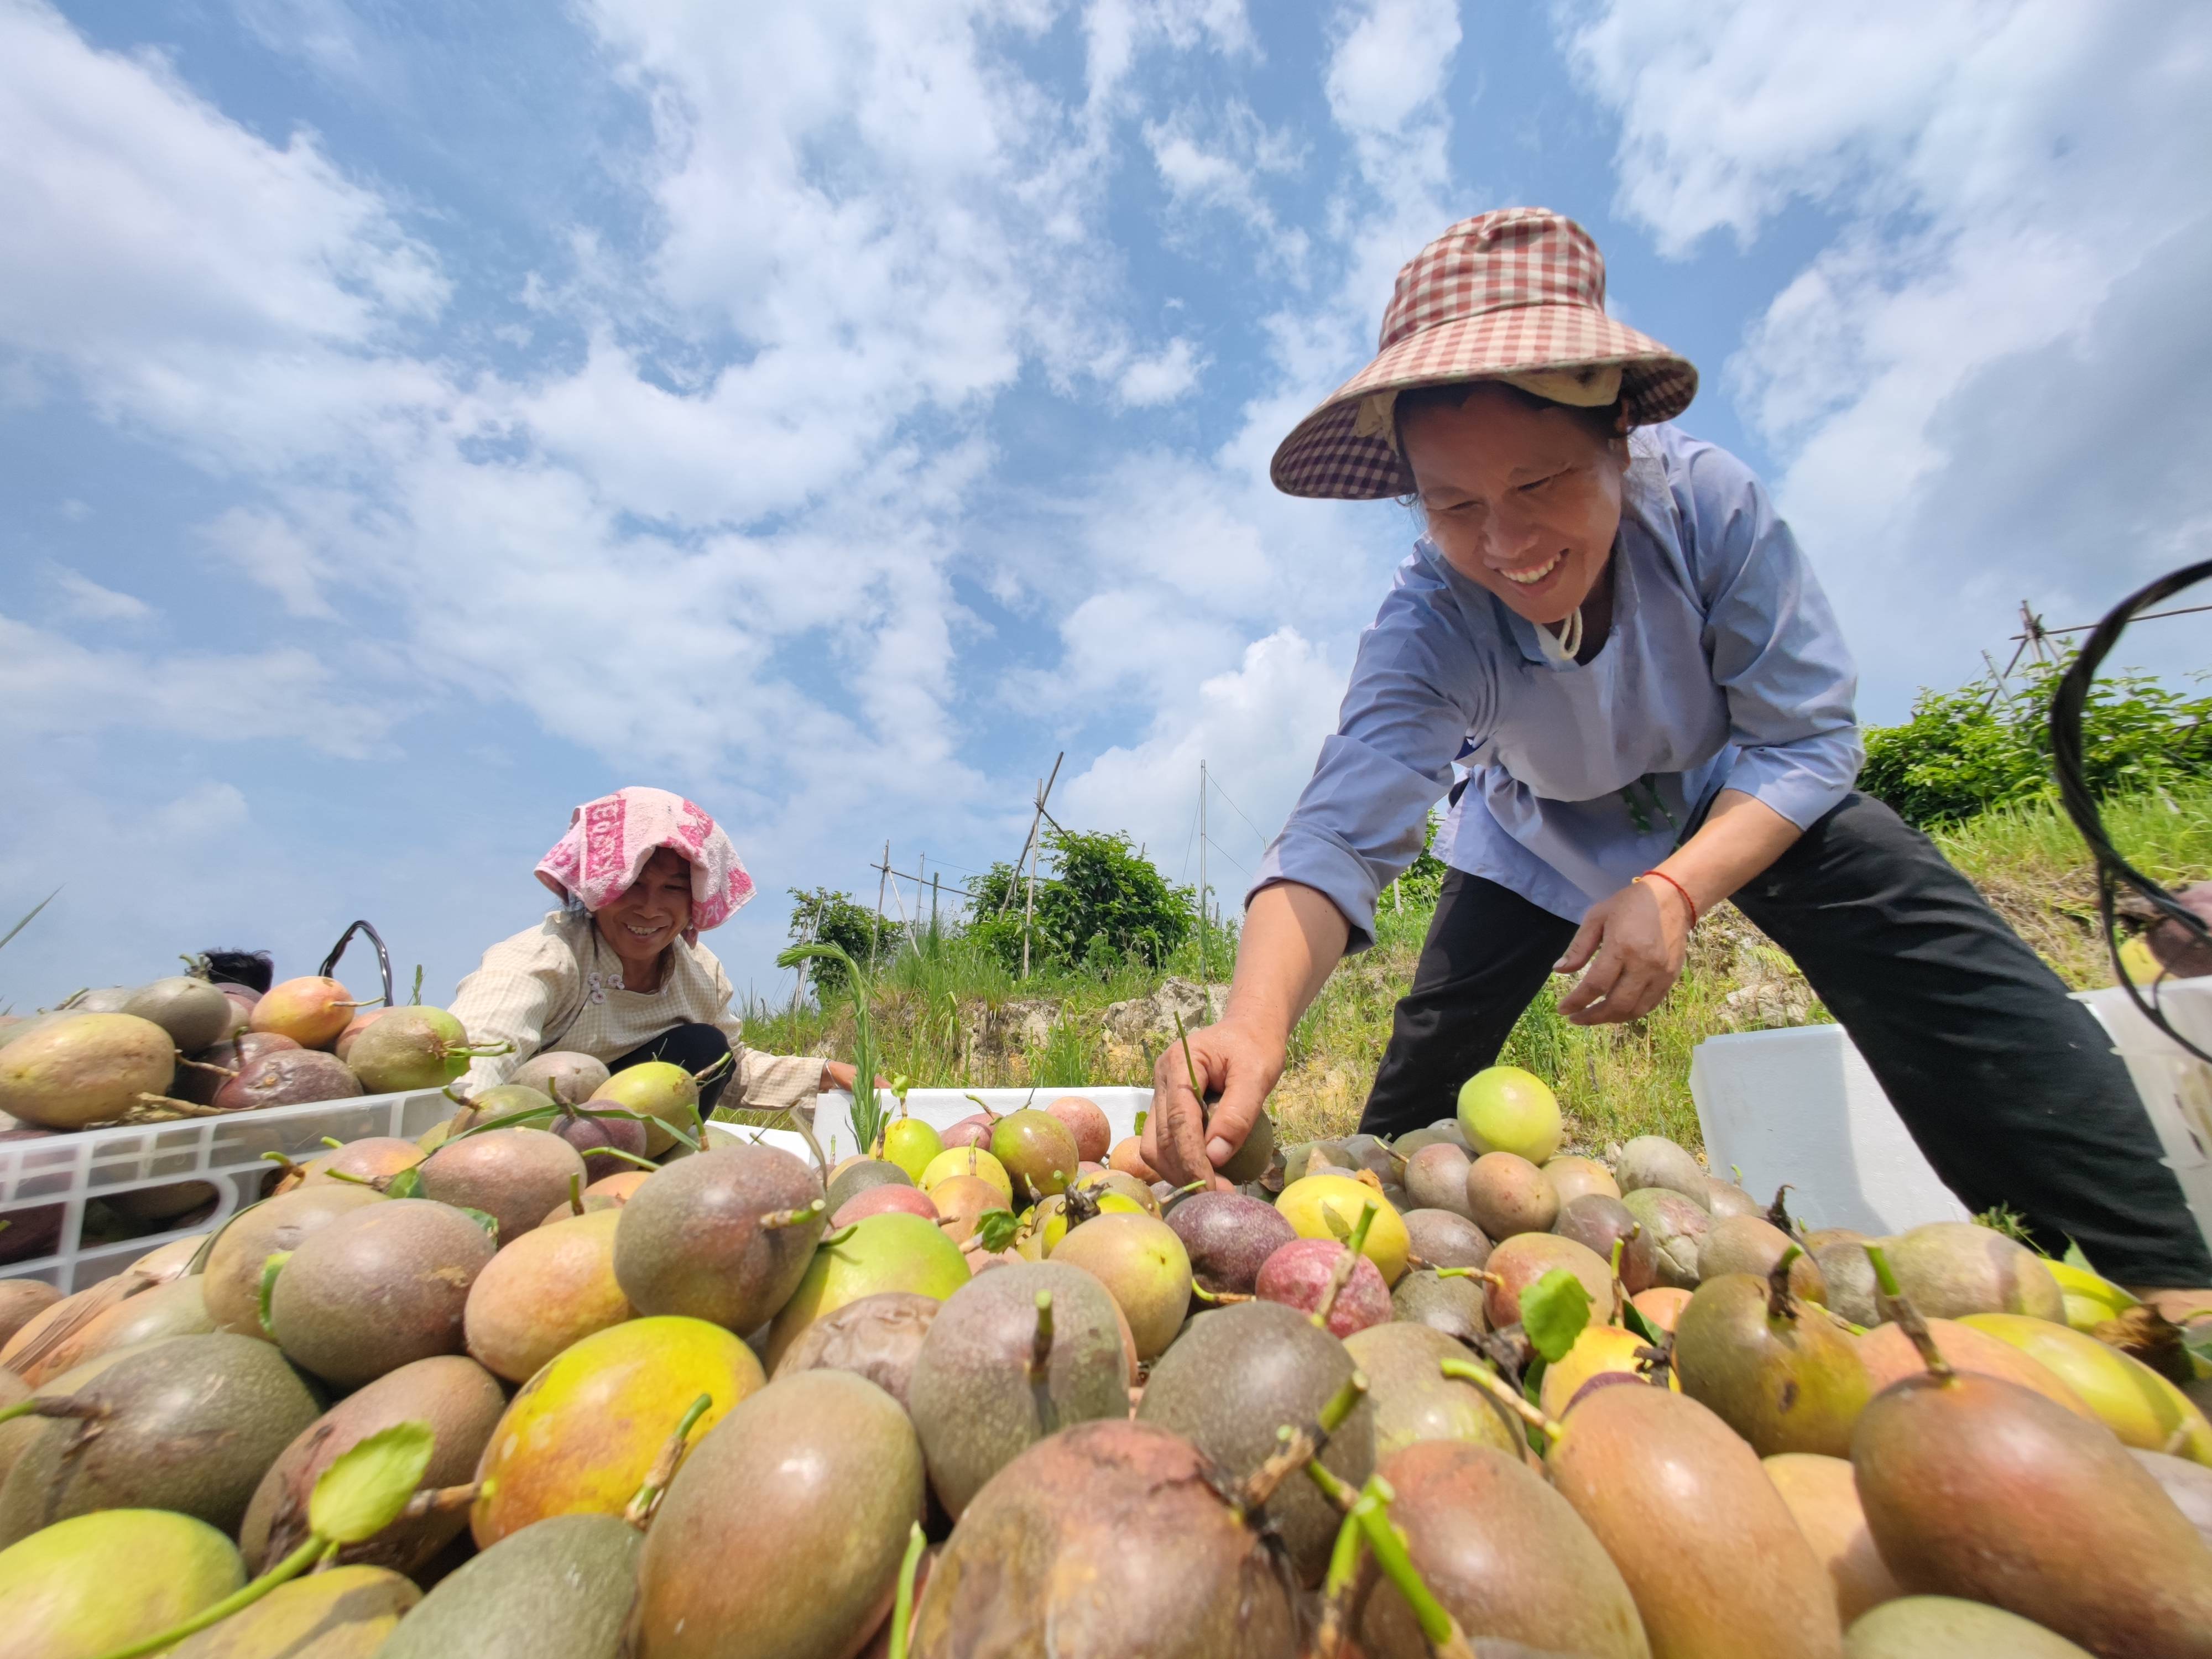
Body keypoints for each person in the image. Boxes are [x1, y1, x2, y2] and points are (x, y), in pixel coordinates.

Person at [1146, 207, 2212, 1294]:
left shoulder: (1706, 508)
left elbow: (1801, 735)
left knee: (1925, 946)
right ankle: (1365, 1269)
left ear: (1617, 437)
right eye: (1452, 504)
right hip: (1533, 829)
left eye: (1541, 484)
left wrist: (1673, 889)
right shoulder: (1429, 618)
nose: (1505, 545)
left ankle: (2142, 1281)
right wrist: (1250, 1018)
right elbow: (1339, 826)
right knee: (1430, 1055)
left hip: (1728, 799)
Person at [450, 786, 865, 1114]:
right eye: (633, 884)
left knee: (705, 1047)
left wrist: (828, 1073)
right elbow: (483, 1046)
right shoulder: (546, 956)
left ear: (696, 901)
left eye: (673, 889)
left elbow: (733, 1071)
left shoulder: (699, 973)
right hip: (530, 1130)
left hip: (631, 1139)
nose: (649, 908)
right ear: (599, 886)